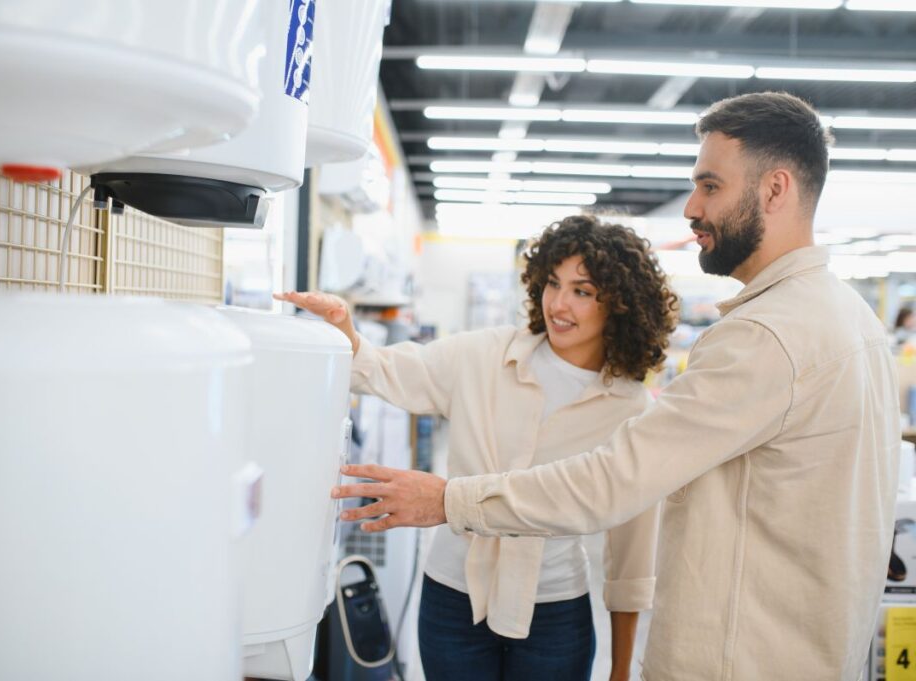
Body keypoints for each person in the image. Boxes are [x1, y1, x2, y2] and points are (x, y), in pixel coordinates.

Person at [331, 91, 900, 681]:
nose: (690, 207)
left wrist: (448, 499)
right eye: (554, 285)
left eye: (710, 186)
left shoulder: (763, 337)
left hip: (741, 657)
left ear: (774, 189)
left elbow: (613, 484)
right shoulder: (851, 319)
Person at [276, 214, 679, 681]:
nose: (559, 303)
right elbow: (381, 369)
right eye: (553, 283)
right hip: (452, 599)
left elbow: (631, 554)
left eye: (582, 291)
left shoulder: (627, 407)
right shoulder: (485, 355)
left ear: (621, 305)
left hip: (553, 614)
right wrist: (343, 329)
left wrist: (622, 669)